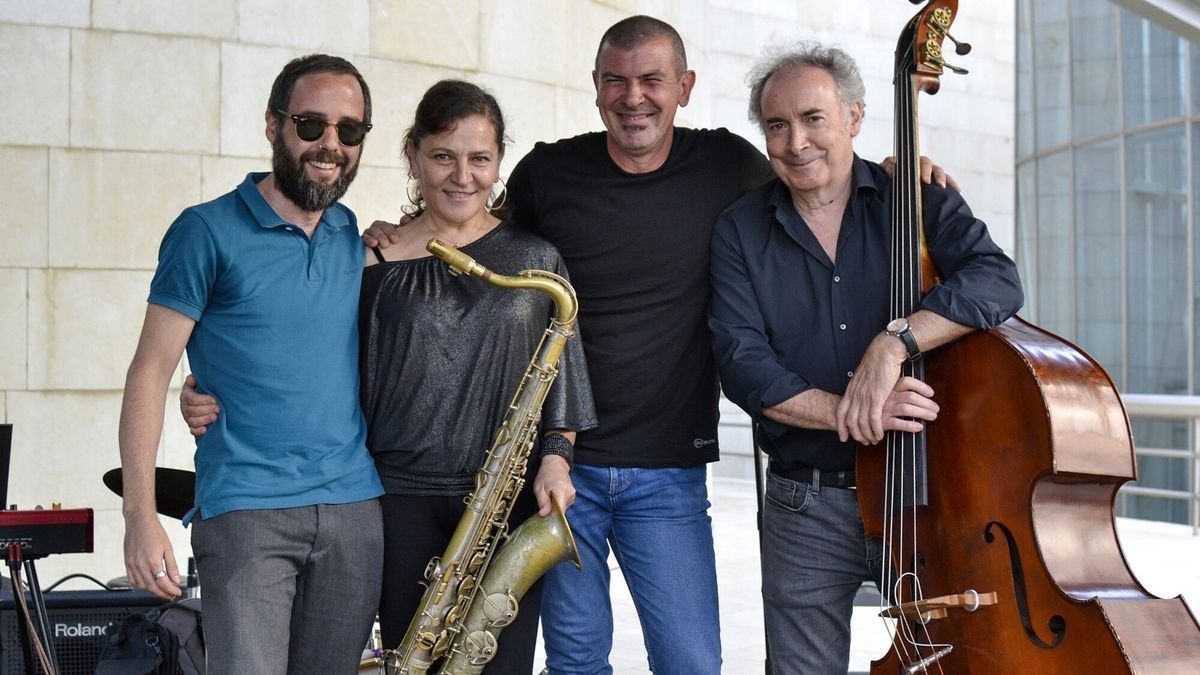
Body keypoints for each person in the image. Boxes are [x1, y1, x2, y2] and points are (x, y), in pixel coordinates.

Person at [362, 16, 955, 675]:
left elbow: (814, 170)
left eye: (652, 80)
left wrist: (896, 174)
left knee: (691, 661)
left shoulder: (731, 164)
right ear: (595, 89)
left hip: (669, 470)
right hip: (559, 470)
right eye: (616, 80)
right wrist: (407, 230)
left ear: (685, 87)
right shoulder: (548, 172)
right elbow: (480, 232)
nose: (633, 96)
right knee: (576, 661)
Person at [183, 79, 597, 673]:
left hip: (505, 506)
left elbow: (563, 381)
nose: (462, 176)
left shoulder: (538, 262)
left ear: (500, 161)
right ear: (413, 155)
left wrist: (556, 460)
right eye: (443, 156)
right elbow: (306, 353)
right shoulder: (369, 259)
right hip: (394, 503)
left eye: (480, 159)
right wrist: (201, 389)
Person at [708, 42, 1024, 674]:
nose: (796, 141)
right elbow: (743, 362)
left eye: (813, 118)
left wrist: (895, 341)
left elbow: (998, 281)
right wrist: (854, 411)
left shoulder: (921, 198)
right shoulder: (739, 229)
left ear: (854, 117)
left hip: (933, 497)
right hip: (807, 505)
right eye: (776, 124)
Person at [118, 54, 385, 673]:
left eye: (350, 131)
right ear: (273, 125)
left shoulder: (355, 236)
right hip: (247, 512)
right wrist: (138, 517)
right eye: (311, 124)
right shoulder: (205, 231)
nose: (330, 144)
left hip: (353, 511)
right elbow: (149, 372)